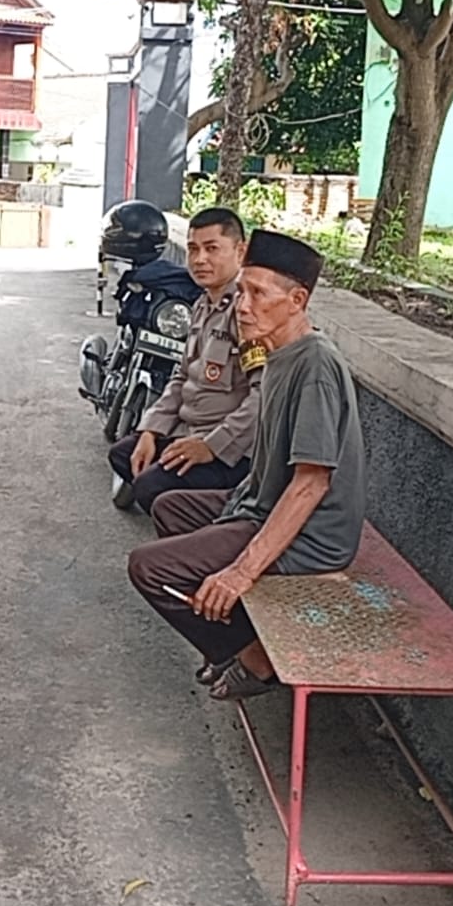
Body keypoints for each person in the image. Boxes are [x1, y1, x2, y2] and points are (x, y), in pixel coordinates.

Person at [126, 227, 366, 701]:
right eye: (241, 292)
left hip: (312, 535)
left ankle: (257, 658)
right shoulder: (276, 352)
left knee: (147, 568)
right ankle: (232, 632)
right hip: (258, 502)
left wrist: (241, 572)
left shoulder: (316, 367)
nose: (243, 305)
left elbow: (311, 484)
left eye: (258, 294)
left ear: (297, 301)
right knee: (169, 505)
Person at [108, 207, 259, 514]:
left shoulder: (248, 312)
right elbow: (181, 376)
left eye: (212, 248)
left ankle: (215, 521)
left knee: (150, 487)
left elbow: (264, 397)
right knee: (123, 454)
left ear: (240, 252)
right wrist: (151, 431)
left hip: (232, 451)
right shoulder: (202, 305)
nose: (200, 259)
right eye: (193, 249)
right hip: (189, 431)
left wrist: (211, 447)